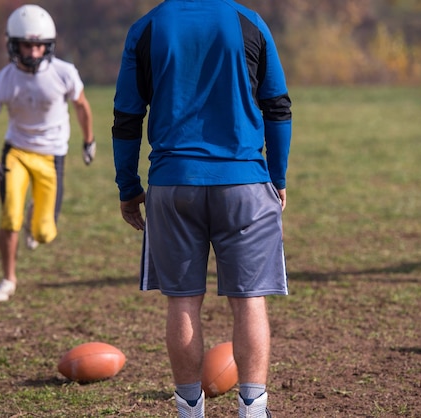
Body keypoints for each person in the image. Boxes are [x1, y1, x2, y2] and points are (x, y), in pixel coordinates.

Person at [112, 1, 292, 416]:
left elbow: (127, 117)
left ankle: (189, 411)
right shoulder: (250, 21)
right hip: (244, 183)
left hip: (173, 184)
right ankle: (253, 410)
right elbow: (278, 106)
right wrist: (277, 177)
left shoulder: (146, 27)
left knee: (182, 301)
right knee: (249, 301)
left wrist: (128, 186)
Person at [0, 4, 95, 302]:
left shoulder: (64, 73)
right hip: (16, 153)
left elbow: (82, 106)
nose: (34, 51)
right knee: (9, 217)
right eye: (28, 44)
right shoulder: (2, 82)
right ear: (13, 44)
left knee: (44, 233)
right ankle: (8, 279)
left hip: (52, 156)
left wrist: (88, 141)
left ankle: (34, 218)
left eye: (40, 44)